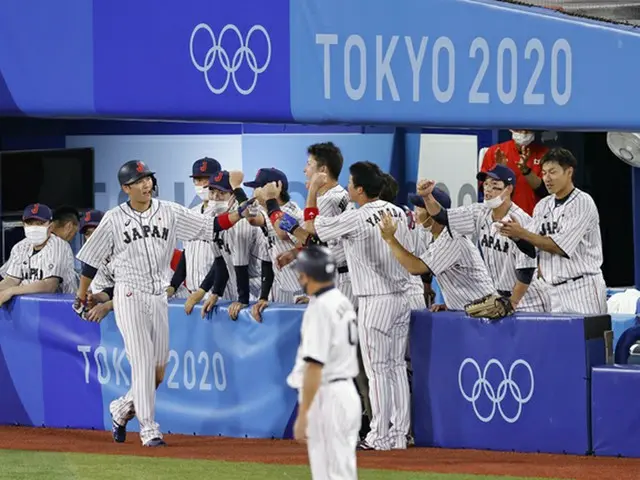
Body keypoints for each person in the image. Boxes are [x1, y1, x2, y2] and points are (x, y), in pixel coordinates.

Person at [73, 160, 255, 447]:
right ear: (126, 188)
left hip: (158, 295)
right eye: (139, 180)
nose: (146, 184)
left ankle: (122, 409)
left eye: (148, 178)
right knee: (143, 363)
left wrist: (239, 213)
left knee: (157, 373)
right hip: (129, 294)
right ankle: (149, 429)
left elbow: (210, 226)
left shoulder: (168, 211)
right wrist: (82, 294)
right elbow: (90, 261)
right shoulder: (113, 218)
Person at [265, 161, 413, 451]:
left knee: (377, 371)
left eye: (351, 183)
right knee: (395, 368)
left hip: (375, 299)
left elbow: (310, 227)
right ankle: (398, 434)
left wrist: (311, 196)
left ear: (360, 189)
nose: (347, 186)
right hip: (402, 296)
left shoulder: (358, 217)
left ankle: (379, 436)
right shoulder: (400, 213)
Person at [421, 165, 547, 312]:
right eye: (486, 184)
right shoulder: (481, 212)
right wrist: (427, 196)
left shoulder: (521, 220)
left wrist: (512, 303)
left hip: (529, 299)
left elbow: (527, 269)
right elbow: (443, 217)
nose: (488, 189)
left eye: (494, 185)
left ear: (509, 189)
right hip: (500, 297)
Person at [498, 148, 607, 314]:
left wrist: (521, 233)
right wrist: (515, 236)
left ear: (569, 172)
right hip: (551, 290)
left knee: (588, 340)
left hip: (582, 287)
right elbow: (532, 247)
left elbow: (560, 247)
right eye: (543, 173)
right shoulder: (543, 205)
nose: (547, 178)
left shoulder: (583, 202)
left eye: (552, 172)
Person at [287, 246, 361, 480]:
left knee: (332, 474)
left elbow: (314, 366)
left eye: (302, 271)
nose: (299, 276)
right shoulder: (341, 300)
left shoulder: (320, 308)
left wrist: (304, 413)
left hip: (329, 396)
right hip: (345, 392)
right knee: (340, 471)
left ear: (310, 274)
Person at [378, 185, 498, 313]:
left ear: (433, 212)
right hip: (470, 310)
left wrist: (390, 239)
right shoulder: (433, 236)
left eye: (420, 207)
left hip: (487, 312)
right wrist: (451, 304)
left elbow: (415, 267)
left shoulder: (452, 239)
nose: (416, 212)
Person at [185, 170, 266, 320]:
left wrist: (242, 300)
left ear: (233, 196)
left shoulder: (242, 221)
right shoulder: (213, 218)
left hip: (258, 288)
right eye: (212, 191)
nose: (215, 197)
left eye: (221, 193)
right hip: (240, 286)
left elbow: (241, 264)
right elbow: (220, 261)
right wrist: (216, 293)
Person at [243, 168, 305, 307]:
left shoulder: (290, 210)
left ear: (276, 188)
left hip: (300, 291)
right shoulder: (268, 211)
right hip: (280, 285)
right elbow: (252, 218)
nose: (255, 191)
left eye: (258, 187)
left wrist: (268, 199)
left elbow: (281, 232)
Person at [0, 203, 77, 307]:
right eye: (30, 223)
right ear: (24, 225)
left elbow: (49, 286)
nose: (34, 227)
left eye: (40, 223)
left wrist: (11, 291)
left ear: (50, 226)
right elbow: (12, 279)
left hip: (62, 309)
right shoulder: (20, 247)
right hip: (33, 308)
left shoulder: (59, 245)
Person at [167, 157, 222, 299]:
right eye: (198, 180)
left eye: (206, 179)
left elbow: (225, 260)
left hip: (220, 292)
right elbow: (187, 254)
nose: (202, 184)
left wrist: (203, 290)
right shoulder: (192, 213)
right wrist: (173, 285)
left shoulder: (225, 214)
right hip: (193, 294)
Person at [480, 129, 549, 215]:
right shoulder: (495, 151)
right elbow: (486, 189)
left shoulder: (544, 153)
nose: (523, 133)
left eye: (527, 130)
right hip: (501, 216)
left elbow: (546, 191)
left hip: (534, 216)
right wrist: (500, 170)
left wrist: (525, 170)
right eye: (519, 129)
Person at [78, 210, 116, 323]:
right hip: (110, 315)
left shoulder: (123, 254)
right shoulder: (91, 259)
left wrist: (106, 306)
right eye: (88, 233)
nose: (91, 237)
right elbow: (110, 290)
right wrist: (95, 297)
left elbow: (133, 292)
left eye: (96, 232)